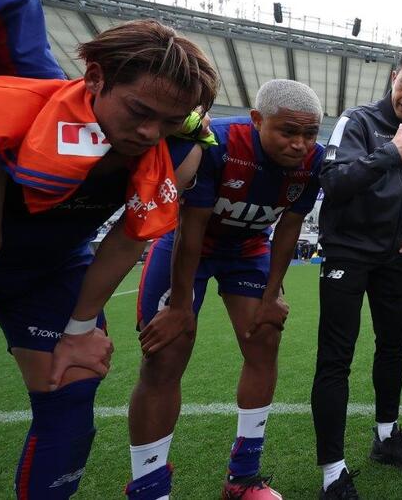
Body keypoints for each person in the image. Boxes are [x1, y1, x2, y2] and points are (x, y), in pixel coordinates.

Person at [0, 19, 218, 499]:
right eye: (139, 111)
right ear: (94, 77)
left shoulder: (180, 146)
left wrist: (78, 331)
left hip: (50, 266)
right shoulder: (8, 112)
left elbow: (129, 238)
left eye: (170, 120)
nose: (150, 132)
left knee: (73, 389)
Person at [123, 80, 325, 500]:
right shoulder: (219, 142)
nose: (300, 144)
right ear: (257, 120)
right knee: (166, 353)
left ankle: (242, 478)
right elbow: (191, 227)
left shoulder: (314, 160)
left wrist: (272, 295)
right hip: (188, 245)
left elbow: (289, 229)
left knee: (264, 337)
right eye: (289, 131)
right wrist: (180, 306)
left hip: (248, 248)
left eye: (309, 133)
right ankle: (149, 489)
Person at [311, 44, 402, 499]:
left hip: (392, 255)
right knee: (336, 358)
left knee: (393, 345)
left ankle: (386, 437)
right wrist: (391, 152)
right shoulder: (357, 120)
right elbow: (332, 182)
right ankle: (332, 472)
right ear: (393, 77)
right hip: (347, 252)